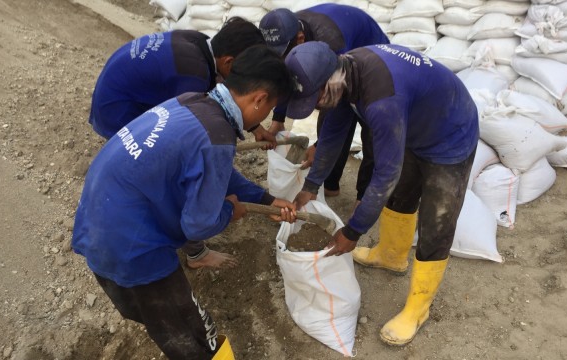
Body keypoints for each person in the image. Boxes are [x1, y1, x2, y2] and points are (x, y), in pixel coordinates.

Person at [72, 45, 296, 359]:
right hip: (130, 246)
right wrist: (233, 210)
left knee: (152, 313)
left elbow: (217, 172)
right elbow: (199, 223)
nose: (265, 116)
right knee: (193, 334)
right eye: (269, 107)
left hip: (96, 221)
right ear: (259, 98)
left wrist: (265, 198)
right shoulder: (217, 135)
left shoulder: (193, 101)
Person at [286, 42, 479, 346]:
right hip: (414, 124)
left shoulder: (382, 100)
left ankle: (418, 309)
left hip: (449, 135)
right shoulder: (344, 80)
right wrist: (310, 187)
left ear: (332, 80)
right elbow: (333, 136)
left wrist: (353, 231)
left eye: (316, 98)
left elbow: (385, 174)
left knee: (436, 222)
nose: (317, 105)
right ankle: (391, 257)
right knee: (401, 195)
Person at [88, 16, 276, 270]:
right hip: (117, 111)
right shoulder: (194, 79)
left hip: (116, 95)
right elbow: (200, 157)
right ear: (228, 62)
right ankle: (195, 253)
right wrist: (248, 202)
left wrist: (255, 127)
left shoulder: (200, 44)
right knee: (174, 178)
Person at [259, 4, 389, 202]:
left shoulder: (332, 45)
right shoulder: (286, 30)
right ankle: (330, 184)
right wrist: (278, 117)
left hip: (372, 56)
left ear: (300, 39)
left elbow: (339, 110)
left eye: (282, 54)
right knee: (329, 120)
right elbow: (290, 79)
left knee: (371, 127)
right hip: (342, 50)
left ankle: (364, 197)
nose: (280, 58)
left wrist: (320, 146)